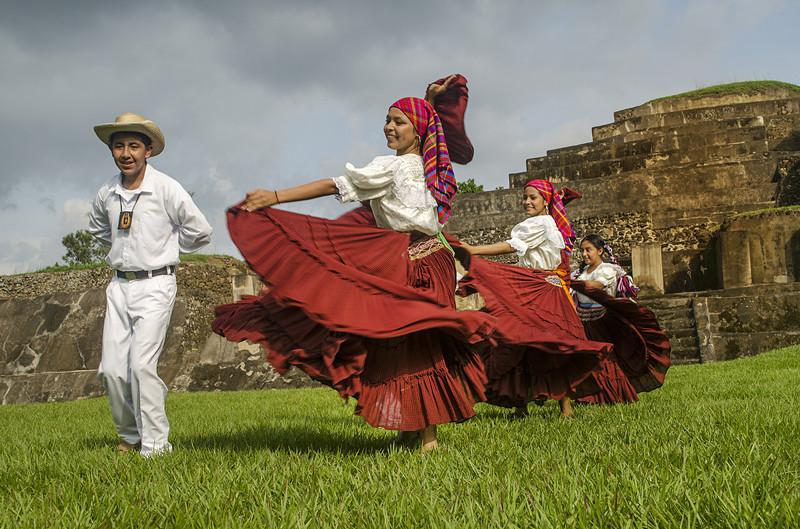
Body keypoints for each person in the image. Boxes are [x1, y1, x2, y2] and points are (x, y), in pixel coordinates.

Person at [212, 97, 494, 452]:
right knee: (407, 338)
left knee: (415, 341)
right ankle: (413, 428)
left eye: (398, 122)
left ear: (418, 131)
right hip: (429, 257)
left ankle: (427, 438)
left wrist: (276, 196)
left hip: (419, 260)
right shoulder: (427, 166)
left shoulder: (395, 168)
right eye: (388, 120)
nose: (389, 127)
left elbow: (336, 185)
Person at [88, 112, 213, 456]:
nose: (125, 153)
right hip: (118, 286)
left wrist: (168, 249)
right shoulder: (107, 193)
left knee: (142, 366)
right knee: (112, 371)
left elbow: (200, 231)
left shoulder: (166, 188)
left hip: (157, 284)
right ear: (111, 151)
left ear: (149, 151)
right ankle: (129, 436)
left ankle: (156, 446)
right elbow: (99, 229)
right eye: (118, 146)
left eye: (133, 146)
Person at [457, 180, 612, 417]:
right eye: (525, 198)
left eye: (533, 198)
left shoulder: (540, 223)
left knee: (525, 339)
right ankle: (546, 406)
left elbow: (513, 246)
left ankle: (532, 405)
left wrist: (473, 250)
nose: (527, 202)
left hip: (542, 289)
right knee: (546, 343)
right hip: (545, 288)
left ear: (545, 201)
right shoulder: (548, 224)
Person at [570, 234, 671, 403]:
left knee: (606, 360)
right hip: (584, 322)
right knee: (588, 359)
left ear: (600, 251)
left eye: (589, 250)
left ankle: (615, 395)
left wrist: (571, 283)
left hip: (604, 321)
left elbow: (596, 286)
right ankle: (592, 397)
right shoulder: (579, 273)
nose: (584, 254)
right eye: (582, 251)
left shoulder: (607, 270)